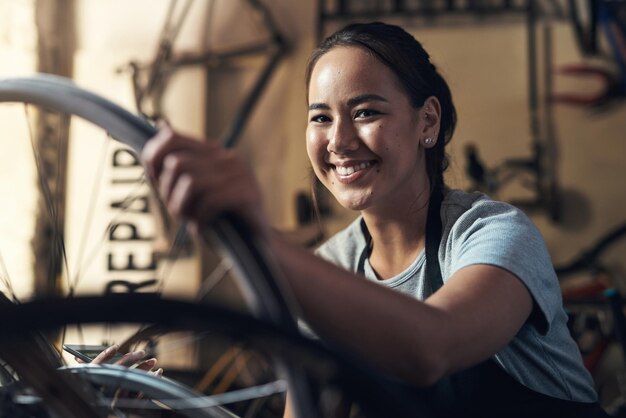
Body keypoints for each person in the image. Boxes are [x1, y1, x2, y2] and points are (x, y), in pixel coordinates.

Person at [141, 22, 608, 417]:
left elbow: (431, 348)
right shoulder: (332, 265)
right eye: (320, 118)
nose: (339, 141)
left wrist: (259, 239)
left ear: (427, 122)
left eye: (365, 112)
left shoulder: (494, 233)